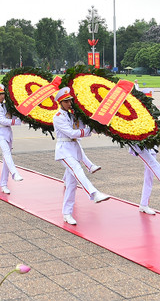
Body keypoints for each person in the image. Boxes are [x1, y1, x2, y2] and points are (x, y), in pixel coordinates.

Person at [52, 87, 109, 225]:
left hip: (74, 150)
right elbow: (72, 133)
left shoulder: (73, 115)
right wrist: (88, 130)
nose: (69, 103)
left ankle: (67, 213)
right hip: (64, 150)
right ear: (60, 102)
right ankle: (94, 193)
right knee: (78, 170)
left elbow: (84, 127)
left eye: (70, 101)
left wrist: (99, 127)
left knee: (71, 185)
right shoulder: (58, 117)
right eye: (66, 101)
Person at [0, 83, 24, 194]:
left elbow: (11, 116)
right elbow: (3, 121)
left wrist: (22, 117)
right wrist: (17, 121)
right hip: (0, 134)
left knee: (6, 160)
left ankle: (4, 184)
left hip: (8, 134)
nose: (2, 96)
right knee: (6, 153)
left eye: (3, 94)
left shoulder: (6, 106)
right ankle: (14, 173)